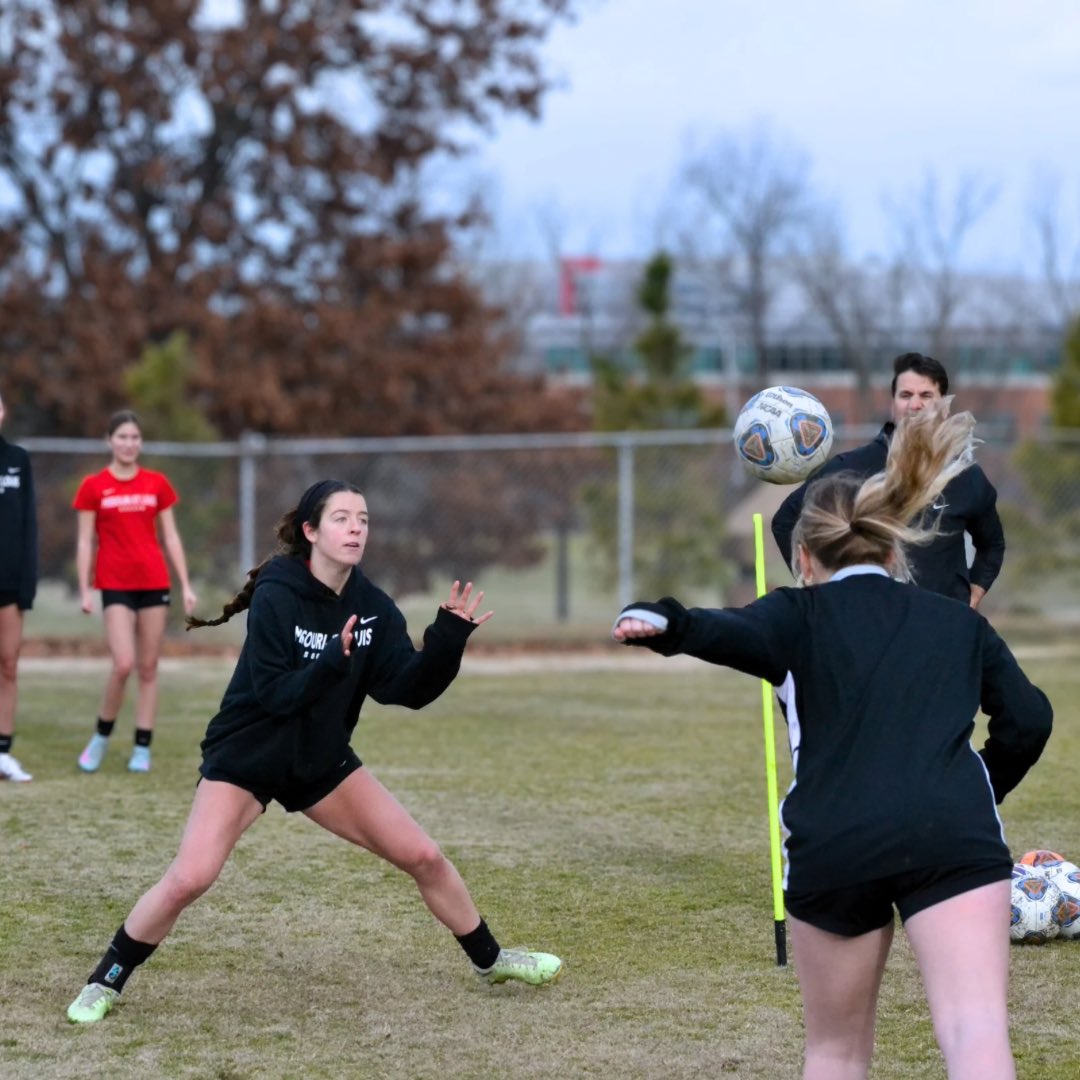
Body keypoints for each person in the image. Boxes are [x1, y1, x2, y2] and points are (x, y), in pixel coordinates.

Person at [612, 401, 1052, 1080]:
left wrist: (663, 622)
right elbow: (1029, 719)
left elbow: (724, 629)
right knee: (974, 1034)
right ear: (894, 545)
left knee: (836, 1052)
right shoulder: (956, 622)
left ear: (804, 559)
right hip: (951, 834)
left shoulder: (795, 613)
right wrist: (973, 788)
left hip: (835, 842)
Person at [66, 479, 562, 1025]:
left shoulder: (371, 606)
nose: (356, 529)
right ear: (311, 531)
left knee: (424, 856)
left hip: (318, 760)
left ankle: (493, 962)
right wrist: (333, 661)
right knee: (190, 877)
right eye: (342, 518)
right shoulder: (278, 593)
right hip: (249, 755)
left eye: (364, 519)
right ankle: (104, 981)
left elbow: (406, 689)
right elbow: (276, 693)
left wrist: (448, 640)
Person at [771, 352, 1005, 608]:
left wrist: (973, 593)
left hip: (942, 627)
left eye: (926, 396)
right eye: (905, 395)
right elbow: (786, 521)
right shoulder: (851, 467)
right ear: (893, 404)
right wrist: (819, 588)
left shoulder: (963, 475)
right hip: (871, 623)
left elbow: (992, 544)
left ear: (945, 407)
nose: (915, 405)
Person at [73, 410, 198, 774]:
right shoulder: (93, 486)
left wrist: (185, 583)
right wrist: (84, 588)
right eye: (122, 437)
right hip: (113, 584)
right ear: (109, 441)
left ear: (140, 443)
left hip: (154, 582)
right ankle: (100, 736)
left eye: (134, 437)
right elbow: (84, 541)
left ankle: (142, 746)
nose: (129, 444)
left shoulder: (157, 483)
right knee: (123, 663)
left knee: (147, 667)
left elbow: (171, 535)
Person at [0, 390, 38, 783]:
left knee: (8, 665)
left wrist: (27, 583)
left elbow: (29, 527)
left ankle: (3, 753)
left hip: (9, 585)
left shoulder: (17, 460)